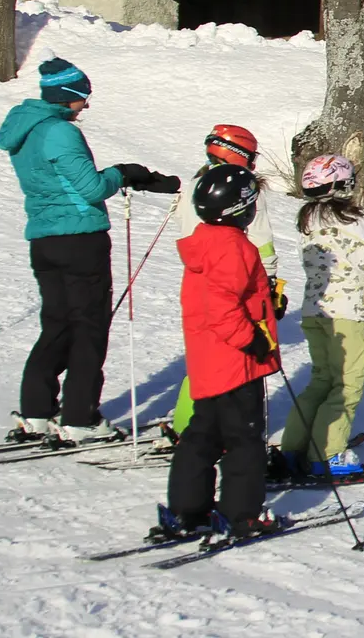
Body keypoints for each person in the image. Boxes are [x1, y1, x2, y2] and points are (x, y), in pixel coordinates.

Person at [0, 57, 179, 446]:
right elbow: (92, 189)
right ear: (67, 97)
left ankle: (37, 411)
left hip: (45, 240)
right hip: (80, 240)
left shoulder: (25, 129)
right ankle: (80, 417)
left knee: (58, 323)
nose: (86, 105)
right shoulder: (59, 133)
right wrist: (123, 172)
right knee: (88, 327)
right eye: (83, 97)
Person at [154, 164, 280, 543]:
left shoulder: (205, 239)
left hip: (209, 358)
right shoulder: (234, 246)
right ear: (240, 209)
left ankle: (187, 508)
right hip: (235, 361)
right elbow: (223, 306)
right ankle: (241, 515)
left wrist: (268, 303)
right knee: (244, 439)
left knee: (203, 434)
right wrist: (251, 339)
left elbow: (226, 296)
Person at [275, 154, 364, 479]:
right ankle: (326, 453)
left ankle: (294, 449)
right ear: (342, 186)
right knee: (347, 385)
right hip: (347, 315)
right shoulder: (352, 223)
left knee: (321, 380)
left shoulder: (308, 222)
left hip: (314, 312)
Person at [168, 126, 285, 443]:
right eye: (251, 157)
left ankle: (186, 425)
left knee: (202, 360)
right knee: (234, 366)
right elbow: (261, 241)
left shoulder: (197, 185)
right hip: (239, 280)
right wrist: (270, 282)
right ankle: (225, 437)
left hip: (198, 278)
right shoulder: (240, 190)